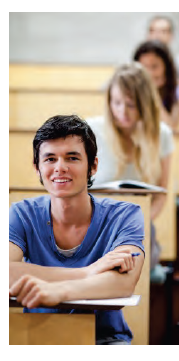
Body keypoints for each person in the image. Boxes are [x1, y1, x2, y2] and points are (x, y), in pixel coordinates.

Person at [9, 114, 145, 345]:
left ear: (93, 166)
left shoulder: (126, 215)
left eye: (72, 158)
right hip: (37, 337)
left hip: (104, 340)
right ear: (37, 168)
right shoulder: (21, 214)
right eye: (50, 159)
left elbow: (123, 283)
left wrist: (59, 292)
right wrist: (88, 272)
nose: (60, 168)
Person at [86, 62, 174, 279]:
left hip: (139, 227)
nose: (122, 112)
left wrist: (140, 223)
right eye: (116, 103)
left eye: (131, 105)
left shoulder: (161, 134)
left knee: (136, 248)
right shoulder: (91, 129)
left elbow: (161, 194)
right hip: (93, 225)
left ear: (144, 104)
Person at [133, 40, 179, 129]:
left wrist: (152, 93)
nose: (149, 72)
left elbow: (170, 128)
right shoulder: (130, 88)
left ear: (166, 67)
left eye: (154, 66)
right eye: (143, 67)